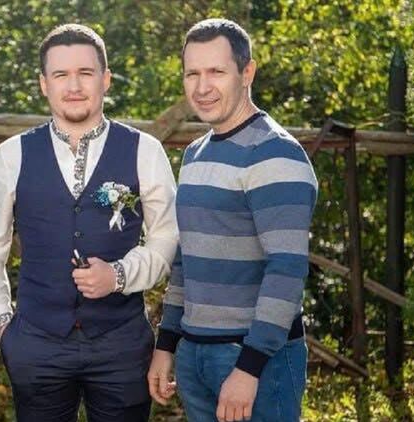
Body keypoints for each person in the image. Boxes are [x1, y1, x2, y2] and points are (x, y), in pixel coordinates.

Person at [0, 23, 178, 422]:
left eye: (85, 73)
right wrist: (2, 324)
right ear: (44, 84)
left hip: (121, 344)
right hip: (37, 344)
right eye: (61, 74)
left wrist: (119, 275)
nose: (74, 86)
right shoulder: (12, 155)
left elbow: (167, 236)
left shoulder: (144, 151)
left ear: (106, 79)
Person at [148, 18, 318, 422]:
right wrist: (167, 343)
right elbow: (186, 259)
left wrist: (249, 367)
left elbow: (287, 269)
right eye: (192, 73)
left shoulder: (275, 153)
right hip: (195, 354)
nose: (202, 86)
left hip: (255, 360)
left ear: (247, 72)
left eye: (216, 72)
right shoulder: (195, 154)